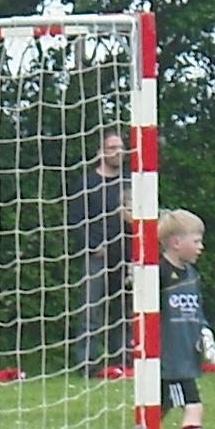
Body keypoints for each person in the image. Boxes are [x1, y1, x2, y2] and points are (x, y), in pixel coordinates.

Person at [158, 209, 215, 429]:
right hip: (170, 361)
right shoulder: (159, 273)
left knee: (155, 415)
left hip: (186, 356)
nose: (201, 247)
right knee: (193, 407)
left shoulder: (192, 274)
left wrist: (205, 336)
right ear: (176, 243)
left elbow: (197, 312)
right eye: (196, 241)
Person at [71, 127, 131, 373]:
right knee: (91, 310)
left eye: (120, 147)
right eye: (112, 148)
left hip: (125, 256)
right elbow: (76, 220)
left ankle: (124, 360)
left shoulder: (130, 182)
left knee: (124, 311)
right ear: (100, 152)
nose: (117, 152)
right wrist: (92, 246)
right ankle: (87, 362)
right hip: (97, 256)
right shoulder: (87, 183)